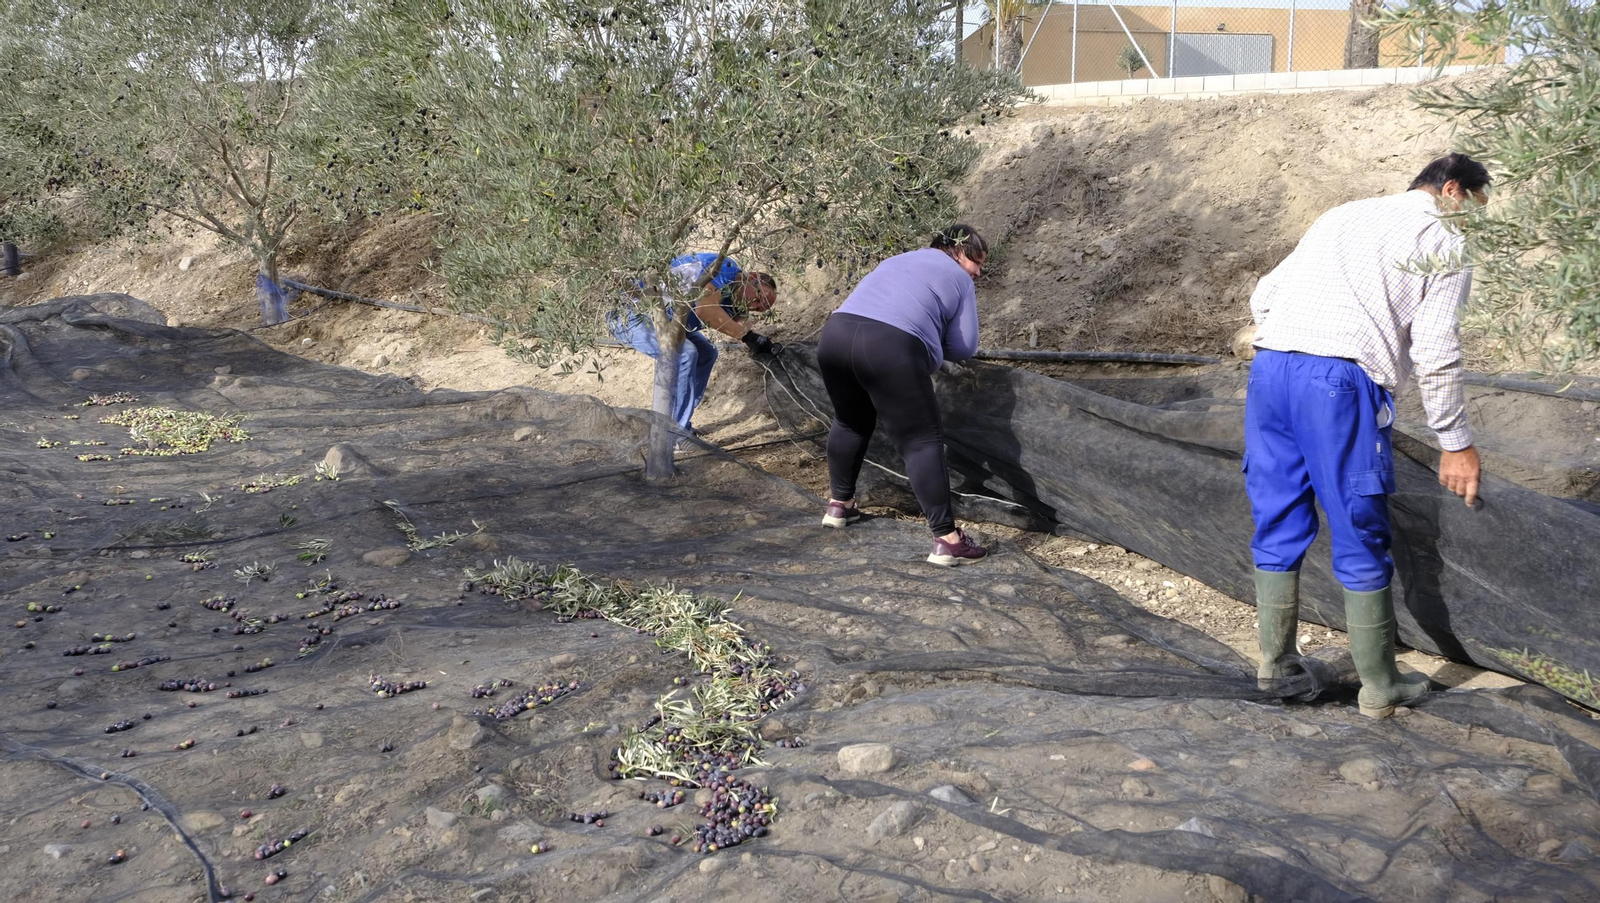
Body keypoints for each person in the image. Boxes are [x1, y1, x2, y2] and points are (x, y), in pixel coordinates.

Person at [1245, 152, 1489, 718]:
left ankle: (1273, 665)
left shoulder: (1343, 215)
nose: (1474, 221)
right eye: (1475, 207)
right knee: (1358, 518)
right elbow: (1436, 351)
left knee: (1277, 510)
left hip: (1271, 367)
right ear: (1451, 190)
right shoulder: (1445, 241)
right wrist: (1454, 440)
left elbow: (1266, 293)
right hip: (1338, 380)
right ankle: (1380, 684)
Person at [817, 224, 988, 567]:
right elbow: (965, 345)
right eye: (977, 261)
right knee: (921, 441)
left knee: (850, 422)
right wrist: (933, 341)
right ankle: (947, 539)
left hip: (835, 335)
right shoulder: (958, 278)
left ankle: (840, 505)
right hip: (889, 346)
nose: (979, 271)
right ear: (958, 250)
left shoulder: (897, 260)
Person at [609, 252, 779, 433]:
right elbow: (706, 310)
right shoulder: (724, 268)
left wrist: (759, 342)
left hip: (668, 322)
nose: (754, 305)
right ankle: (675, 433)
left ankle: (677, 423)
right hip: (631, 314)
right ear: (750, 277)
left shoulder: (736, 297)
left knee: (707, 354)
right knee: (685, 354)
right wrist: (747, 337)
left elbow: (741, 322)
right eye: (758, 296)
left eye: (760, 308)